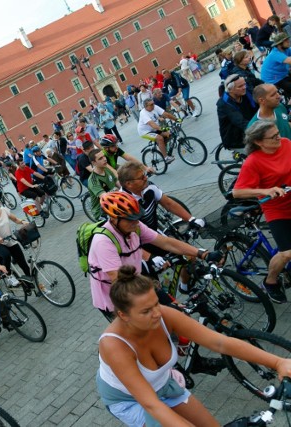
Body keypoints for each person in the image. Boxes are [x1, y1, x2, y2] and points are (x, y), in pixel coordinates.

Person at [97, 264, 291, 427]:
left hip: (164, 385)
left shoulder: (163, 315)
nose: (157, 312)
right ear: (123, 315)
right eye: (146, 311)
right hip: (132, 401)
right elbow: (150, 404)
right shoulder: (114, 346)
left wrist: (277, 362)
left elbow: (220, 342)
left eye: (156, 303)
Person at [87, 191, 221, 320]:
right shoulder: (103, 242)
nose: (136, 222)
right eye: (130, 219)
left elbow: (167, 243)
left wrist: (202, 253)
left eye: (137, 217)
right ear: (114, 219)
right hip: (116, 298)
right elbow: (119, 279)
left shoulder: (135, 226)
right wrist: (154, 300)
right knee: (150, 333)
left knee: (179, 315)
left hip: (137, 282)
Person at [118, 161, 206, 293]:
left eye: (145, 174)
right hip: (136, 246)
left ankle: (184, 287)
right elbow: (126, 240)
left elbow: (169, 204)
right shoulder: (123, 204)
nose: (146, 178)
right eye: (141, 177)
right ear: (129, 184)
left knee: (188, 256)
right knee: (154, 286)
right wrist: (149, 257)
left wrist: (191, 219)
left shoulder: (149, 187)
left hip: (153, 235)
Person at [233, 121, 291, 303]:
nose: (279, 138)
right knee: (287, 253)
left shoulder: (287, 144)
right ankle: (271, 282)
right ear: (259, 142)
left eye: (278, 133)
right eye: (273, 137)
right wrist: (265, 191)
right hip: (277, 209)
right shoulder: (253, 162)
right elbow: (237, 192)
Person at [0, 195, 36, 288]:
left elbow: (15, 219)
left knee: (24, 264)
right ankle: (9, 276)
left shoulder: (4, 210)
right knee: (6, 255)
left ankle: (32, 285)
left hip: (10, 240)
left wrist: (23, 222)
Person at [216, 74, 258, 150]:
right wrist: (259, 129)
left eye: (244, 84)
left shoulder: (246, 94)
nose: (244, 87)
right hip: (235, 137)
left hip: (248, 128)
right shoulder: (224, 104)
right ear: (230, 89)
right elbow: (240, 122)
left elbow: (257, 107)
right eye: (240, 86)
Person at [87, 148, 119, 220]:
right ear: (94, 163)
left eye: (104, 156)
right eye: (100, 158)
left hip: (114, 202)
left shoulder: (106, 169)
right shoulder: (93, 180)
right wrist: (116, 190)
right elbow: (105, 197)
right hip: (102, 212)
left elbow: (118, 183)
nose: (105, 159)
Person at [260, 33, 291, 98]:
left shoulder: (286, 49)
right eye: (286, 41)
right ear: (279, 44)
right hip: (273, 79)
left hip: (281, 74)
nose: (289, 41)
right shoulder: (275, 54)